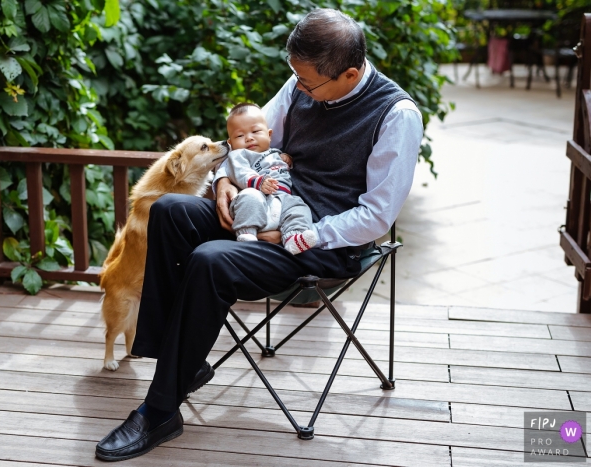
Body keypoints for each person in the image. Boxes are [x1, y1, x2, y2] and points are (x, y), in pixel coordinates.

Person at [95, 8, 423, 462]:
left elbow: (376, 215)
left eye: (308, 85)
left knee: (211, 259)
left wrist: (301, 235)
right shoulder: (301, 81)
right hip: (264, 203)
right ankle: (183, 364)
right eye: (297, 80)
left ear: (349, 73)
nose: (299, 90)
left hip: (323, 242)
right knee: (169, 210)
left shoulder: (396, 115)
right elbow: (247, 146)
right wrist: (227, 183)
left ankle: (160, 409)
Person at [225, 102, 317, 254]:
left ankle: (292, 237)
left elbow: (278, 165)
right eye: (240, 135)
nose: (249, 138)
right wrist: (258, 182)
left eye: (255, 131)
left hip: (282, 199)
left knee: (299, 207)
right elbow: (239, 173)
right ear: (231, 143)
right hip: (256, 198)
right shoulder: (238, 155)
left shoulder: (274, 153)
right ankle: (247, 233)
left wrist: (284, 159)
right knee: (250, 196)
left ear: (268, 135)